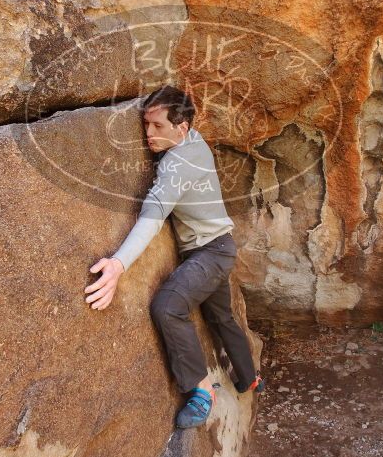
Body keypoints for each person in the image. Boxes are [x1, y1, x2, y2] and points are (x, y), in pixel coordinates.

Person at [83, 85, 264, 429]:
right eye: (145, 125)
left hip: (210, 253)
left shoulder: (177, 165)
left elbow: (153, 214)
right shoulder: (193, 140)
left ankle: (200, 391)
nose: (148, 133)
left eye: (157, 127)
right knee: (221, 318)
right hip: (218, 247)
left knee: (168, 306)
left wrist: (118, 264)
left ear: (181, 128)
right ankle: (249, 378)